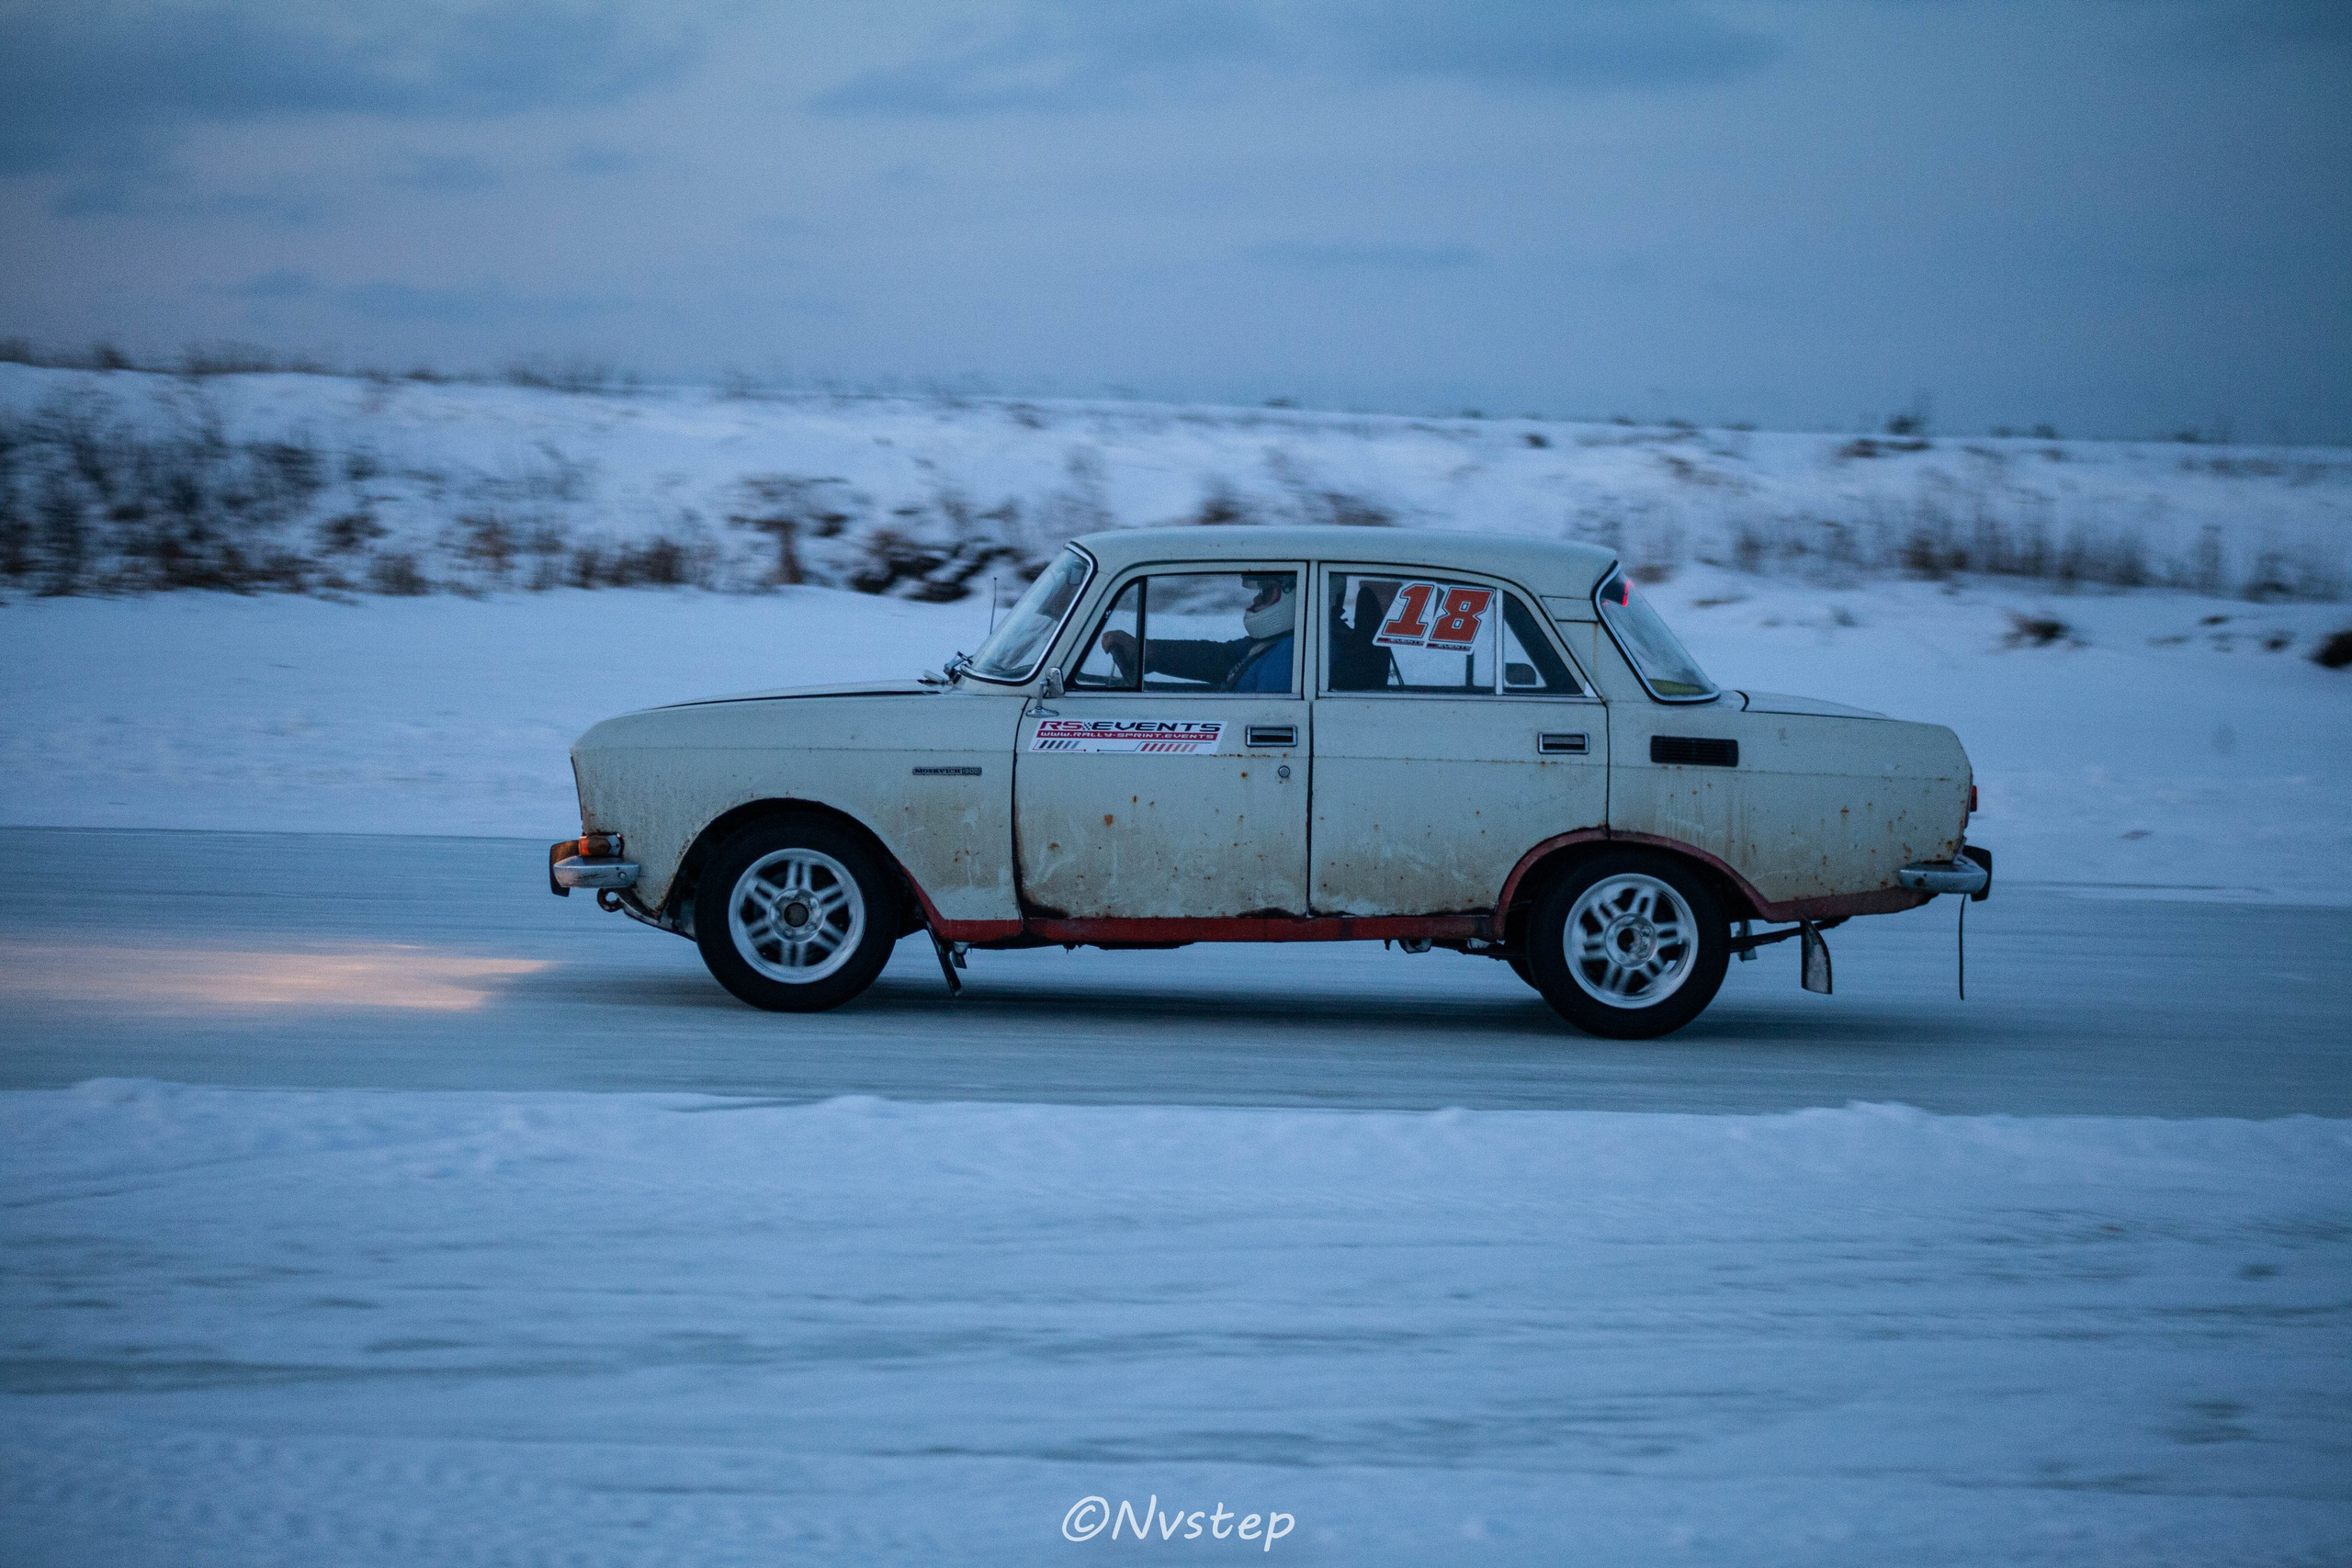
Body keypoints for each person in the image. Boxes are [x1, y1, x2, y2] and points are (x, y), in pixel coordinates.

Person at [1101, 573, 1295, 693]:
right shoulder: (1269, 643)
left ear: (1290, 597)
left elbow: (1268, 715)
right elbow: (1220, 658)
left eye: (1267, 592)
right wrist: (1147, 650)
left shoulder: (1289, 653)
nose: (1256, 597)